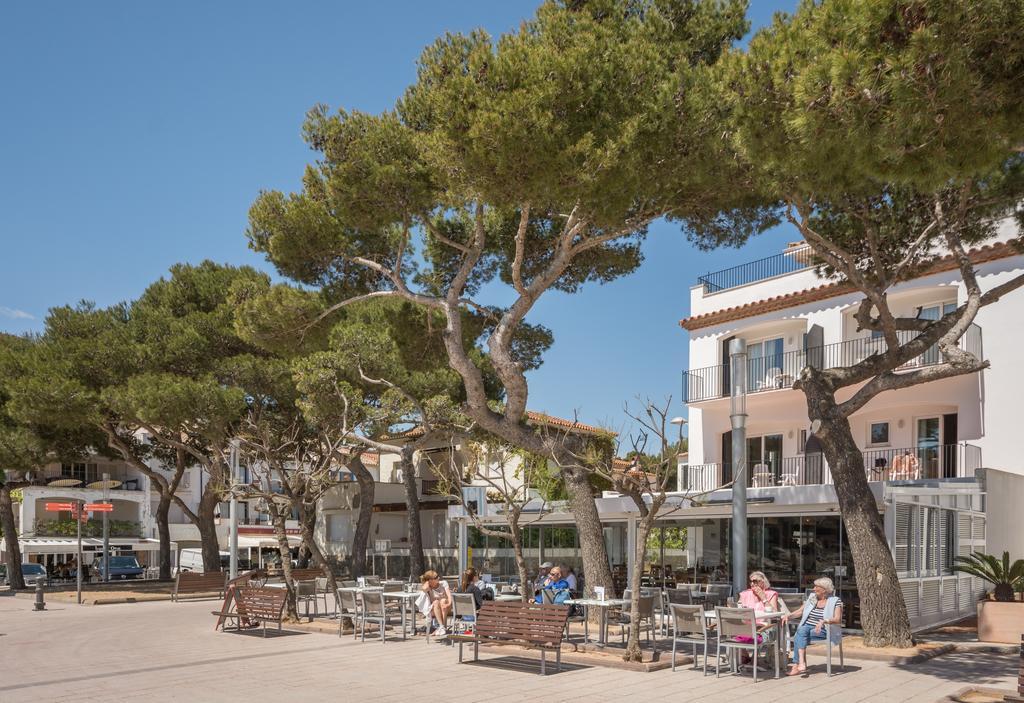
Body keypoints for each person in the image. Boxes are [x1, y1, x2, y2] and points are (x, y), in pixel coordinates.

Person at [785, 576, 843, 676]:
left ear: (824, 590)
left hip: (824, 630)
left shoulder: (835, 600)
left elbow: (838, 619)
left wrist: (824, 621)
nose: (814, 589)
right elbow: (801, 611)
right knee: (801, 631)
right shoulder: (812, 598)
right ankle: (800, 663)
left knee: (799, 634)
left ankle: (797, 665)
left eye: (817, 587)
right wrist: (788, 616)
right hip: (807, 628)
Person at [418, 570, 453, 637]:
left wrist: (449, 603)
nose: (438, 578)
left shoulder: (443, 583)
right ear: (430, 580)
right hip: (435, 609)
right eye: (436, 577)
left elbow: (449, 596)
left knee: (443, 601)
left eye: (438, 576)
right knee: (436, 602)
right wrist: (427, 583)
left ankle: (442, 627)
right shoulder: (429, 587)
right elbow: (424, 588)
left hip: (446, 607)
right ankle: (442, 627)